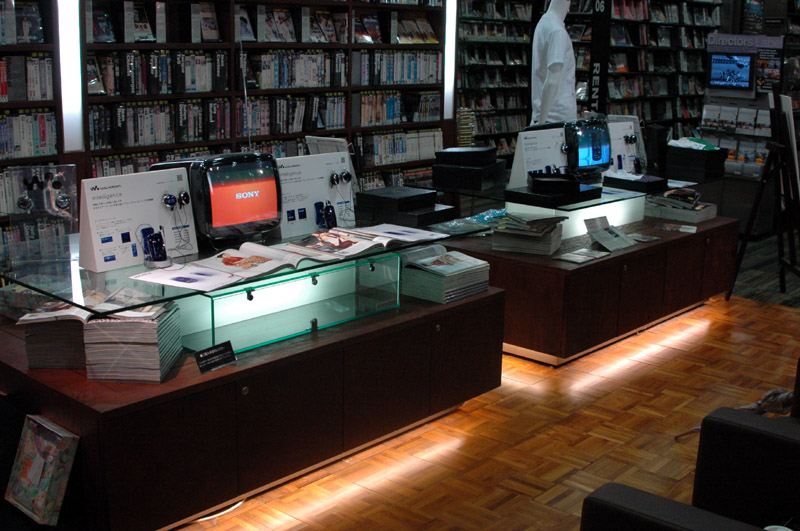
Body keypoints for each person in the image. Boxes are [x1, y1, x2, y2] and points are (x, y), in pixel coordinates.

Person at [530, 0, 577, 125]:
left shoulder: (543, 23)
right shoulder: (557, 31)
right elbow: (552, 80)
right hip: (556, 120)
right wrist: (541, 124)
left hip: (545, 117)